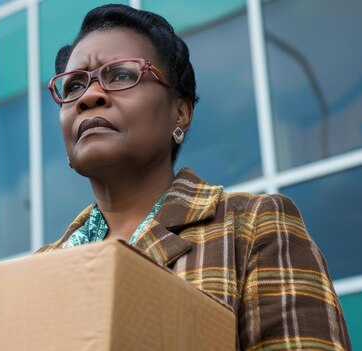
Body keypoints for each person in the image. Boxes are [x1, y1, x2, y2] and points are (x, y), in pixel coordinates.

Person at [33, 4, 351, 350]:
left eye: (121, 75)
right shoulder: (38, 271)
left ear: (180, 113)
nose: (89, 97)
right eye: (74, 86)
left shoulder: (251, 227)